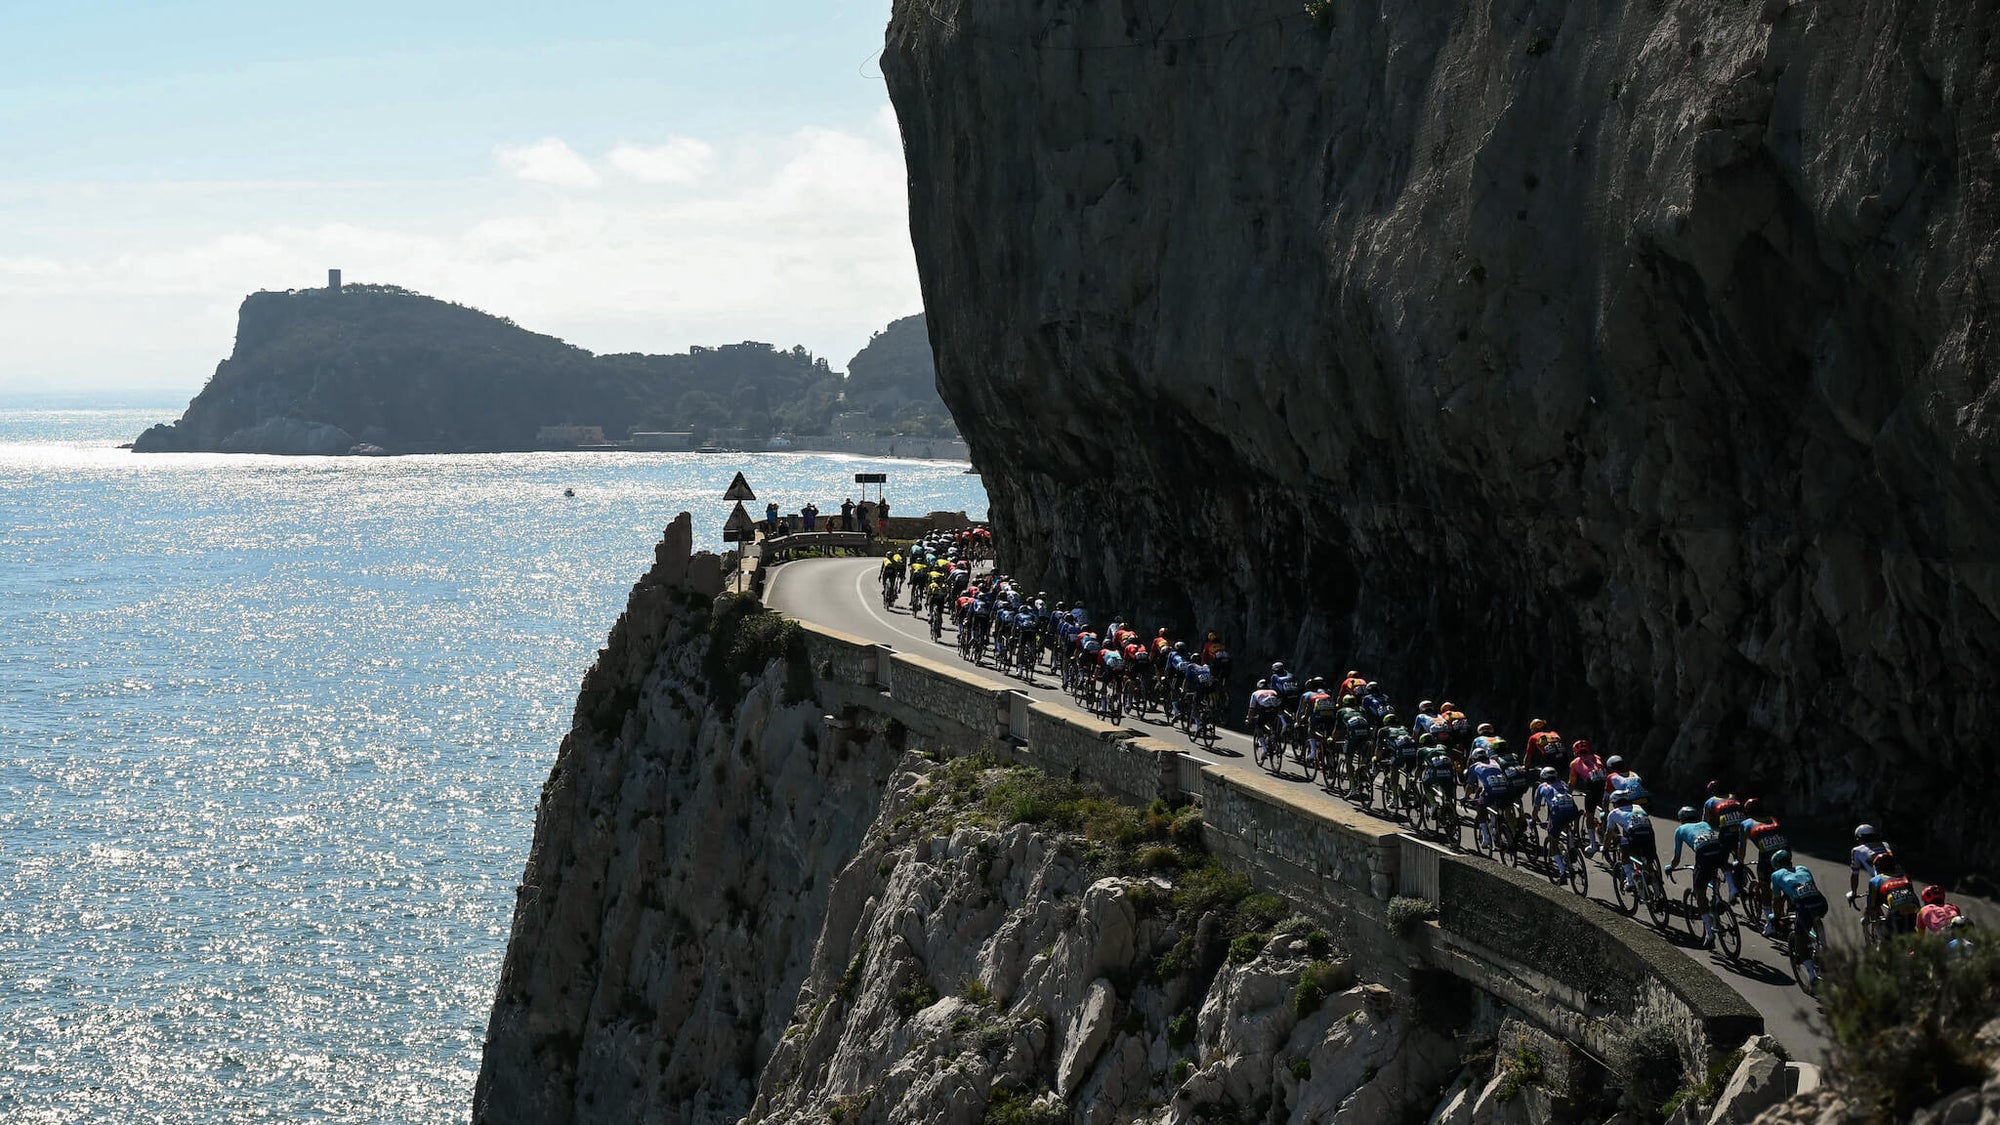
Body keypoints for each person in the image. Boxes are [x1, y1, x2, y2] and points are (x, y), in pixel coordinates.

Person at [1666, 805, 1731, 948]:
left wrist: (1671, 867)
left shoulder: (1680, 830)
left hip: (1704, 857)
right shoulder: (1705, 824)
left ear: (1681, 819)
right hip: (1719, 851)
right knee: (1715, 872)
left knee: (1699, 893)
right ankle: (1719, 898)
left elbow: (1676, 858)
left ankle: (1709, 933)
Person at [1533, 768, 1581, 876]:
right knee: (1567, 823)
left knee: (1552, 840)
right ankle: (1572, 845)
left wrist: (1534, 820)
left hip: (1558, 813)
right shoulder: (1563, 783)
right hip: (1573, 810)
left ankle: (1562, 871)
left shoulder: (1541, 787)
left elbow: (1536, 809)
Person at [1865, 851, 1922, 937]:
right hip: (1914, 912)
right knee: (1910, 933)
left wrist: (1866, 918)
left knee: (1888, 941)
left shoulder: (1876, 880)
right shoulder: (1905, 877)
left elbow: (1871, 905)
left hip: (1896, 916)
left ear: (1877, 868)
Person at [1566, 740, 1608, 852]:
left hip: (1592, 787)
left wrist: (1568, 795)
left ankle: (1593, 845)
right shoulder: (1597, 757)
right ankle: (1609, 827)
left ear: (1575, 752)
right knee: (1605, 809)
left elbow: (1572, 783)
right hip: (1604, 786)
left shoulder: (1575, 763)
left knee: (1589, 816)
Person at [1849, 824, 1890, 903]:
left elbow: (1854, 874)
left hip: (1881, 883)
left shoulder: (1856, 850)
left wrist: (1854, 893)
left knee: (1871, 910)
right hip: (1902, 878)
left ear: (1858, 838)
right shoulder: (1885, 845)